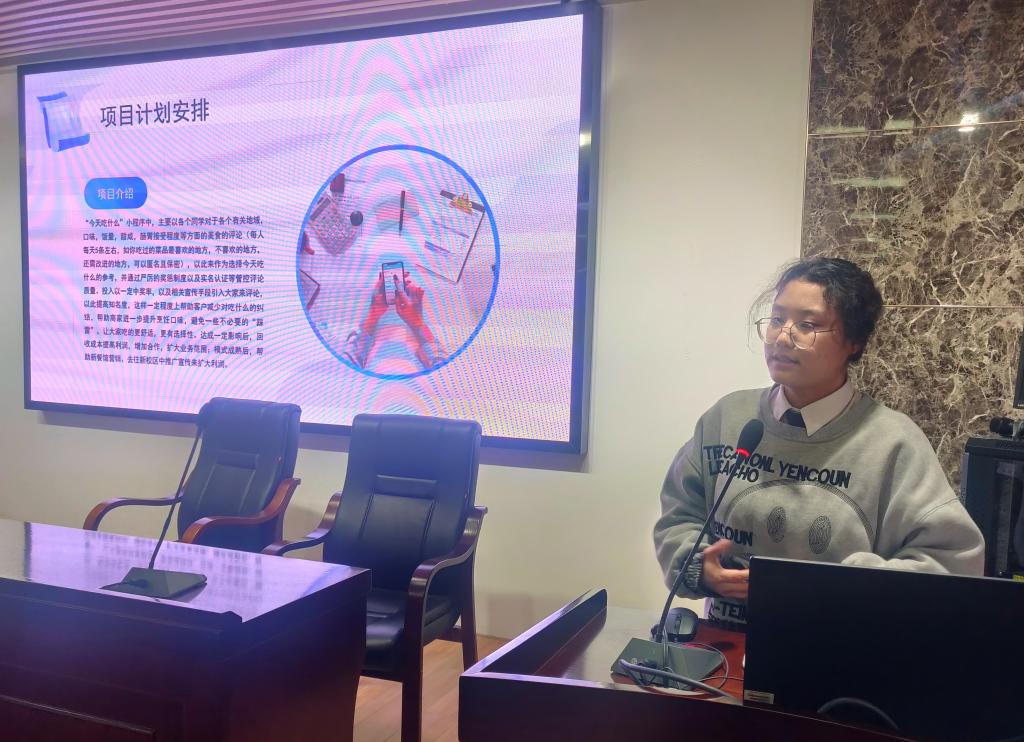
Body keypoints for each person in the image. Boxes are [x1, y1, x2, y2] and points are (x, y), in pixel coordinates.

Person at [653, 257, 984, 626]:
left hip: (837, 646)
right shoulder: (728, 418)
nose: (782, 337)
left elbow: (953, 562)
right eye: (776, 319)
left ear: (854, 342)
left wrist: (850, 585)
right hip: (725, 643)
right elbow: (679, 516)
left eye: (807, 325)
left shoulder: (893, 442)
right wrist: (698, 566)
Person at [343, 272, 444, 371]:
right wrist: (418, 323)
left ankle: (371, 319)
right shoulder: (444, 375)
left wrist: (372, 316)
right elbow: (439, 362)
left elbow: (350, 358)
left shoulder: (344, 373)